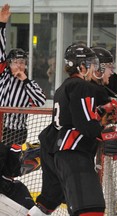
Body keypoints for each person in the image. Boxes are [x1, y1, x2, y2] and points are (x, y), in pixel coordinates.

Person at [28, 44, 117, 216]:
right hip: (73, 153)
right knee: (91, 209)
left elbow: (94, 116)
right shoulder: (81, 86)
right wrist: (108, 135)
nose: (94, 69)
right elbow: (87, 125)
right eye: (91, 64)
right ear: (81, 67)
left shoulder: (65, 87)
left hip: (58, 151)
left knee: (49, 202)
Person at [0, 3, 46, 212]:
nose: (20, 65)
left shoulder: (30, 84)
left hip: (17, 133)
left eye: (23, 62)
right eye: (16, 61)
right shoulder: (2, 77)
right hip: (1, 131)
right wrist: (1, 24)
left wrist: (25, 80)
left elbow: (39, 101)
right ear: (8, 63)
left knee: (10, 170)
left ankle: (24, 163)